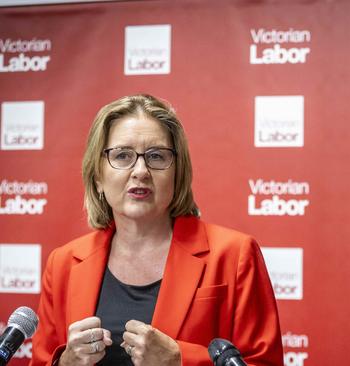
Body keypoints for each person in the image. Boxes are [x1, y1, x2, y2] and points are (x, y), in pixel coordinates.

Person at [30, 94, 283, 366]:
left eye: (157, 156)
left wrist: (179, 360)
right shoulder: (63, 263)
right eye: (123, 155)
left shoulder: (234, 255)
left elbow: (265, 362)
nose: (141, 170)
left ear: (178, 173)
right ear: (98, 177)